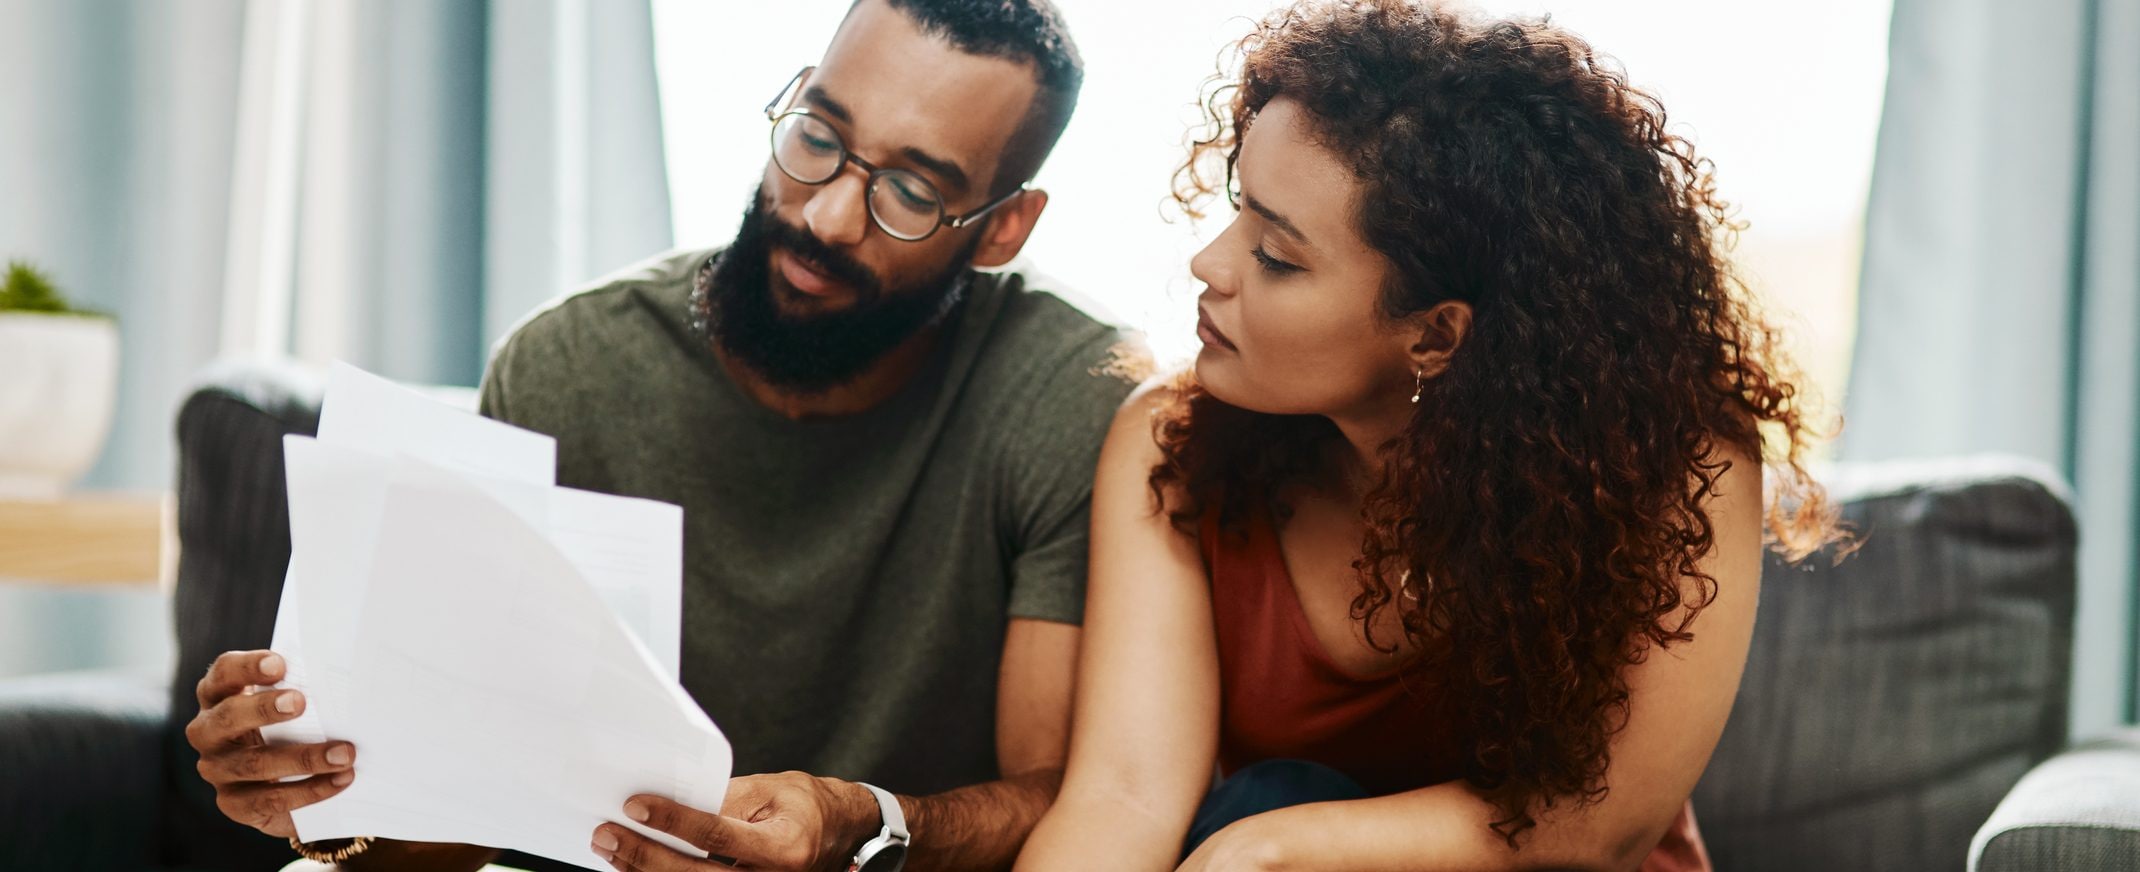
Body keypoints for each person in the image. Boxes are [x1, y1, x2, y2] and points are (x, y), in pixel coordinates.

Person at [183, 1, 1135, 870]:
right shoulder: (573, 367)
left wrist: (860, 821)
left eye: (913, 194)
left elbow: (1069, 795)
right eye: (818, 136)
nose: (827, 215)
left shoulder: (1066, 396)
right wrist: (329, 803)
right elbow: (465, 821)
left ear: (1004, 226)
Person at [1019, 1, 1844, 870]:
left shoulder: (1682, 463)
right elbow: (1125, 796)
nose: (1211, 264)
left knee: (1263, 809)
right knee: (1264, 798)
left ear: (1436, 336)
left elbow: (1600, 828)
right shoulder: (1170, 441)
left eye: (1276, 256)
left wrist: (1269, 849)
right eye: (1238, 210)